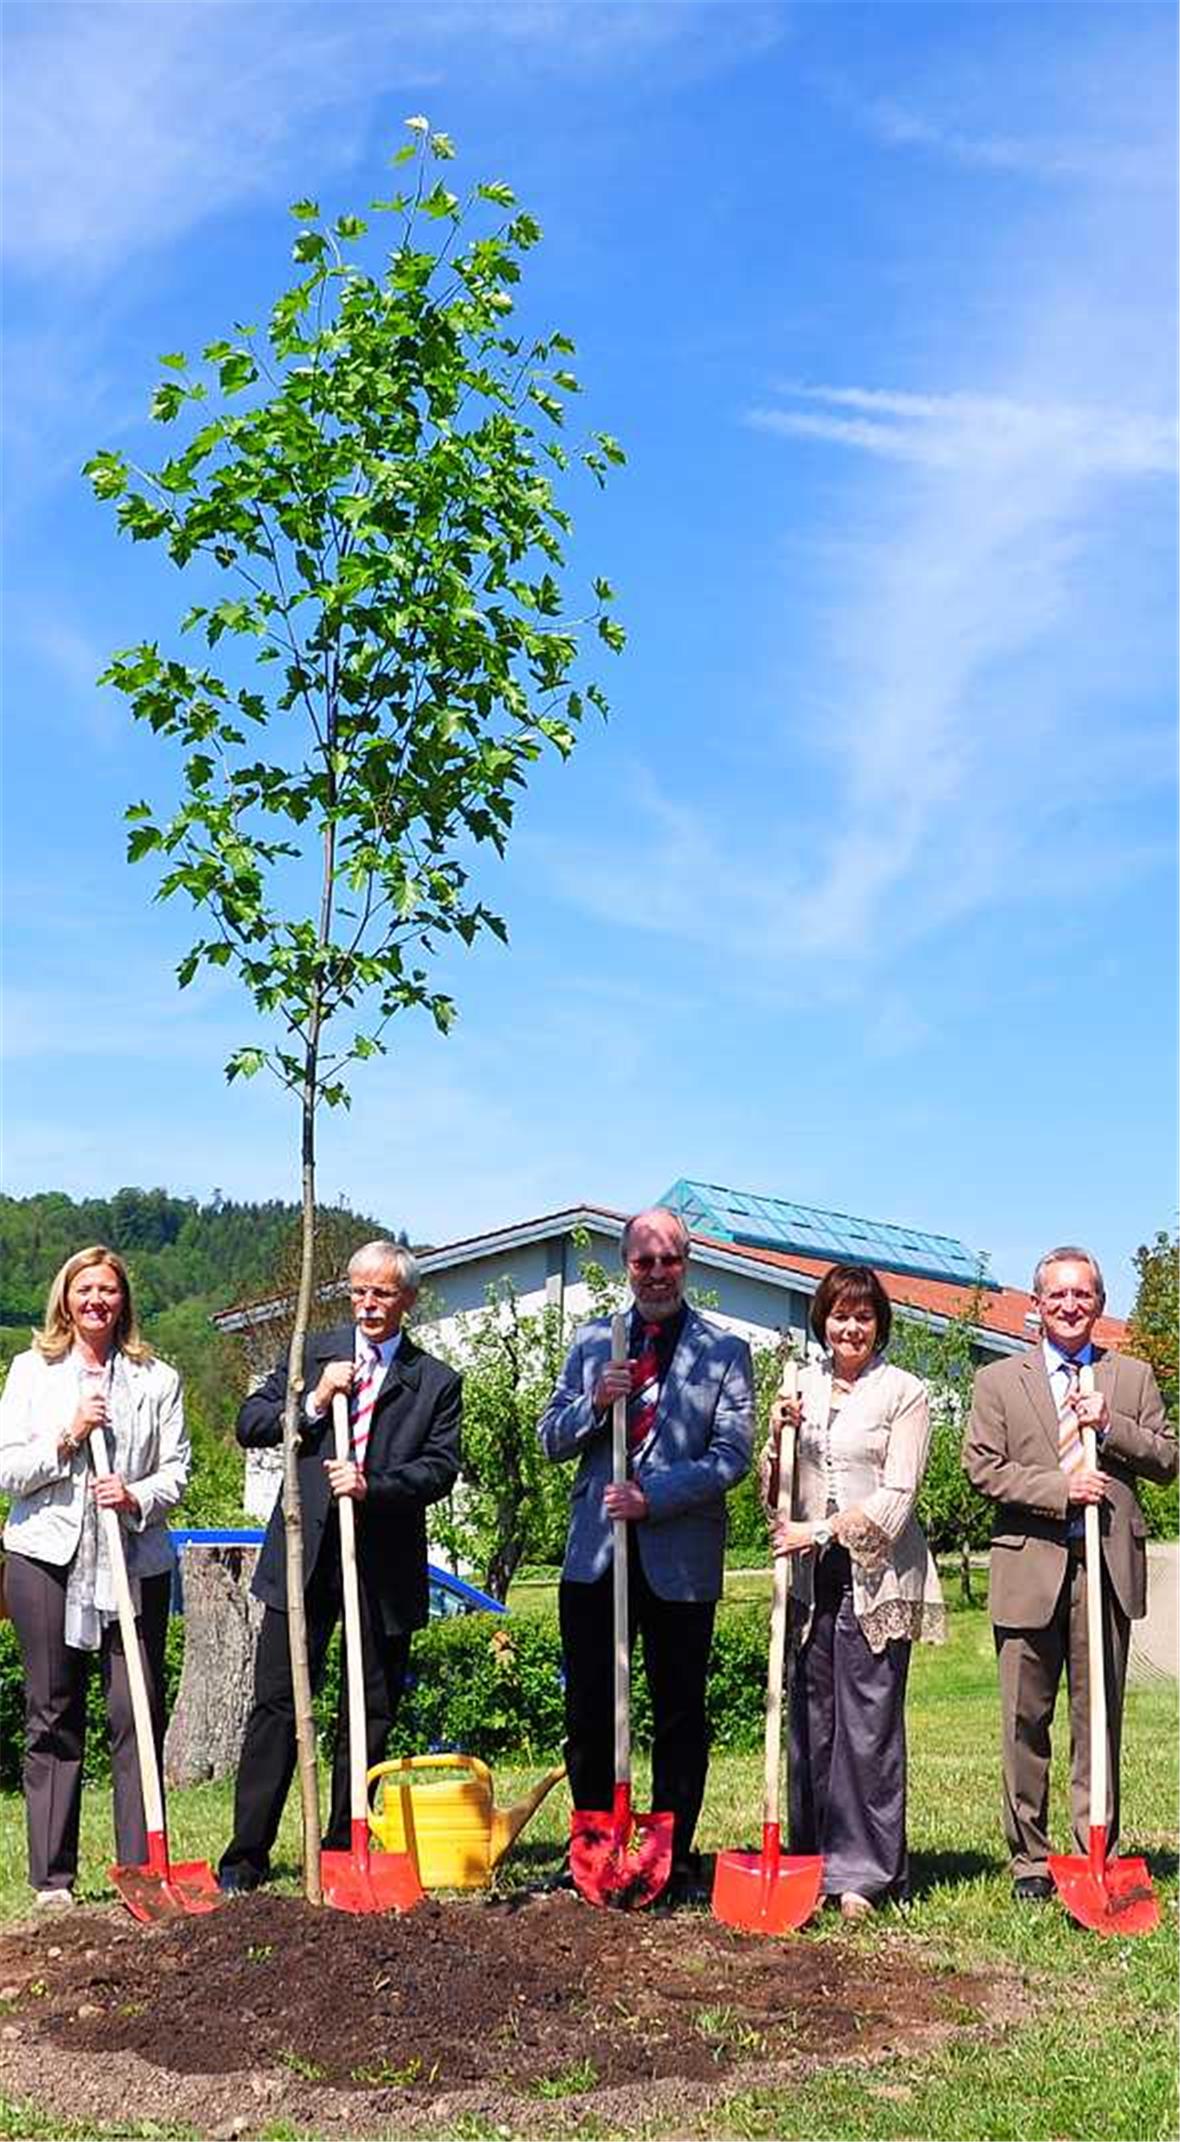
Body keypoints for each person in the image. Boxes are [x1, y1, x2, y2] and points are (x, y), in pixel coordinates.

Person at [218, 1240, 461, 1891]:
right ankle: (246, 1856)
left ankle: (342, 1846)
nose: (368, 1305)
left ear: (407, 1299)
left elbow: (439, 1470)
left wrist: (371, 1484)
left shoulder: (434, 1381)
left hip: (382, 1567)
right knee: (276, 1703)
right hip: (304, 1557)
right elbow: (250, 1422)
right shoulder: (313, 1353)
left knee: (368, 1707)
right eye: (358, 1292)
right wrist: (315, 1401)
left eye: (382, 1293)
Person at [538, 1206, 754, 1899]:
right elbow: (550, 1437)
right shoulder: (591, 1343)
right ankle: (594, 1852)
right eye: (644, 1262)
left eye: (669, 1261)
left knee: (679, 1710)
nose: (657, 1274)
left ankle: (673, 1857)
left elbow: (731, 1456)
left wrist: (652, 1497)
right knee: (590, 1711)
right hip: (596, 1555)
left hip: (679, 1559)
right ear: (626, 1266)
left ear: (686, 1264)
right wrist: (595, 1405)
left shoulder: (724, 1352)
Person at [963, 1245, 1176, 1901]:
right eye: (1057, 1294)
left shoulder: (1130, 1377)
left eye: (1082, 1294)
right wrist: (1061, 1488)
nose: (1070, 1305)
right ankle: (1030, 1859)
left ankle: (1093, 1851)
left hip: (1105, 1567)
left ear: (1100, 1304)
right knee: (1024, 1719)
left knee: (1098, 1719)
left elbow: (1167, 1459)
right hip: (1029, 1565)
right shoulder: (999, 1381)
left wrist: (1110, 1426)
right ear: (1036, 1305)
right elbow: (982, 1469)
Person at [0, 1245, 190, 1909]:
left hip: (133, 1563)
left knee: (136, 1710)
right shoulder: (32, 1371)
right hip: (45, 1560)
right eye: (85, 1289)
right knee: (53, 1712)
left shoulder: (157, 1378)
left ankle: (143, 1869)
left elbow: (177, 1470)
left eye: (108, 1290)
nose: (96, 1301)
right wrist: (68, 1435)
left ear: (123, 1300)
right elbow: (7, 1470)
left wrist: (135, 1496)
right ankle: (53, 1880)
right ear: (65, 1297)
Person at [761, 1262, 944, 1919]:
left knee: (868, 1724)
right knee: (813, 1722)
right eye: (840, 1315)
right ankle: (813, 1858)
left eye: (863, 1316)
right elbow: (775, 1492)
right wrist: (778, 1437)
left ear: (879, 1324)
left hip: (877, 1574)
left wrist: (822, 1531)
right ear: (823, 1320)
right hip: (812, 1578)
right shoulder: (801, 1388)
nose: (851, 1328)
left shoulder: (905, 1392)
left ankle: (865, 1874)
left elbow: (898, 1496)